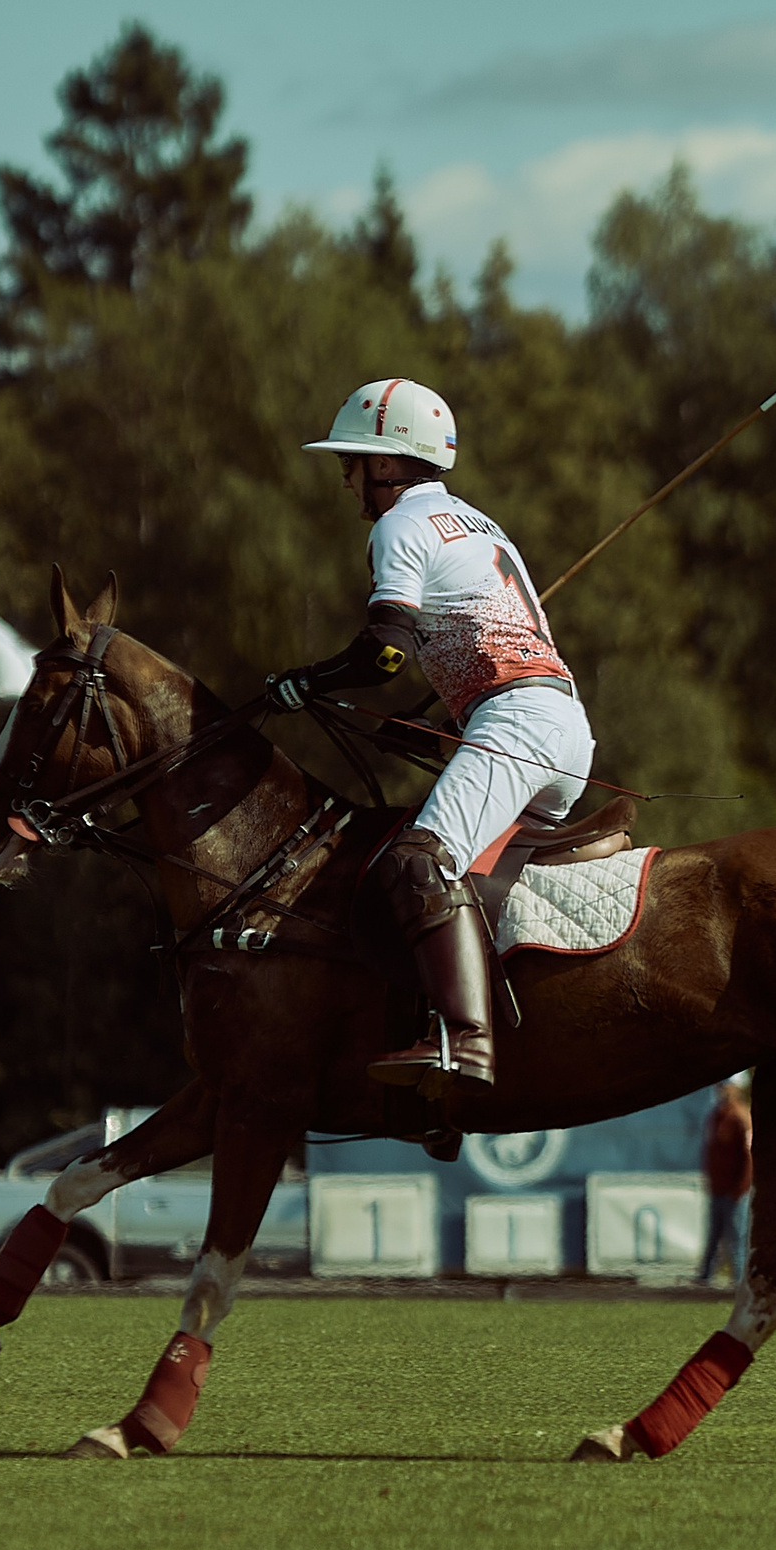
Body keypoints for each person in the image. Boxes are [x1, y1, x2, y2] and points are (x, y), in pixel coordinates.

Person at [269, 377, 592, 1093]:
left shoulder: (400, 526)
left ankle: (467, 1041)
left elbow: (384, 650)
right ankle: (450, 1070)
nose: (346, 479)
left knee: (417, 863)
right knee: (466, 879)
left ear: (386, 465)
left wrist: (306, 681)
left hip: (518, 722)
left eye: (350, 462)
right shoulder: (480, 522)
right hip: (563, 729)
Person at [697, 1076, 752, 1285]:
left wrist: (741, 1187)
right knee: (713, 1237)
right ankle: (705, 1279)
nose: (721, 1090)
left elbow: (748, 1157)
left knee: (735, 1238)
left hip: (733, 1191)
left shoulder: (740, 1117)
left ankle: (739, 1282)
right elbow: (711, 1151)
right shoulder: (716, 1116)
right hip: (718, 1188)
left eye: (726, 1086)